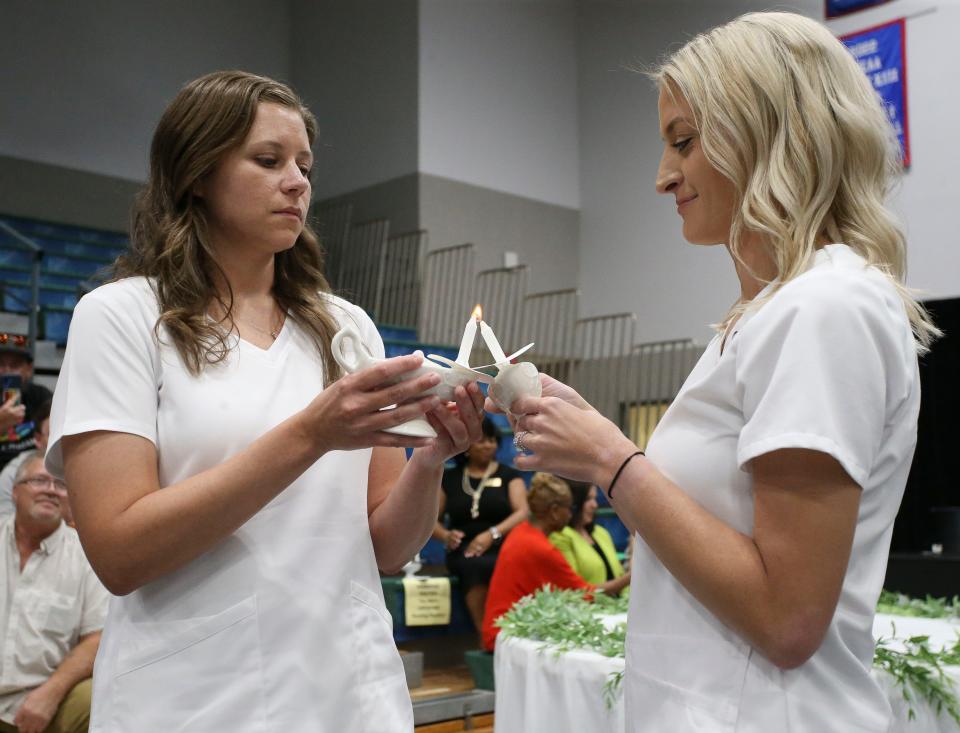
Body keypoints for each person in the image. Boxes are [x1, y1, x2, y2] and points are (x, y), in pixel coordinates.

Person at [504, 12, 938, 732]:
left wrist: (613, 460)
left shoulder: (821, 307)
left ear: (769, 134)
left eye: (684, 140)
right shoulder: (771, 310)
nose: (662, 176)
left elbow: (787, 615)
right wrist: (598, 438)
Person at [44, 70, 485, 733]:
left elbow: (386, 545)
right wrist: (311, 432)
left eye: (304, 164)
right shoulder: (123, 316)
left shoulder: (347, 327)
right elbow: (118, 552)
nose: (298, 181)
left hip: (350, 689)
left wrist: (431, 459)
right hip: (195, 696)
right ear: (197, 173)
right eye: (269, 160)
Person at [0, 452, 108, 733]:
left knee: (95, 698)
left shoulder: (88, 555)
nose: (50, 489)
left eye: (60, 485)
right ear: (14, 492)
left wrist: (50, 693)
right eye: (39, 480)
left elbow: (96, 638)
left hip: (42, 701)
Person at [480, 473, 630, 652]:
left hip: (501, 628)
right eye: (569, 508)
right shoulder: (541, 548)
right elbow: (585, 594)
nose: (570, 514)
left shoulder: (521, 532)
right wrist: (631, 576)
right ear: (554, 510)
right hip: (505, 635)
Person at [431, 417, 528, 633]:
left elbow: (523, 512)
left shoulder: (508, 475)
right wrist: (446, 535)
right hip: (465, 548)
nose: (489, 445)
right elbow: (430, 521)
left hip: (503, 544)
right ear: (466, 446)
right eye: (482, 441)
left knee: (503, 562)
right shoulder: (450, 478)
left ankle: (509, 632)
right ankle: (486, 633)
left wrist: (492, 534)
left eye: (492, 440)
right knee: (473, 564)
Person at [549, 481, 625, 586]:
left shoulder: (601, 532)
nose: (595, 505)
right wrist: (627, 579)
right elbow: (574, 589)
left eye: (595, 498)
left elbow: (619, 573)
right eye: (588, 499)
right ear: (574, 503)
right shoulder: (560, 537)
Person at [0, 336, 52, 473]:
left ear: (28, 369)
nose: (6, 371)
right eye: (1, 364)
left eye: (15, 365)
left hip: (33, 472)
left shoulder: (40, 396)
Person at [0, 400, 51, 521]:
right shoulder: (16, 469)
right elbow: (3, 518)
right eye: (52, 434)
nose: (61, 441)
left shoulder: (89, 465)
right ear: (38, 439)